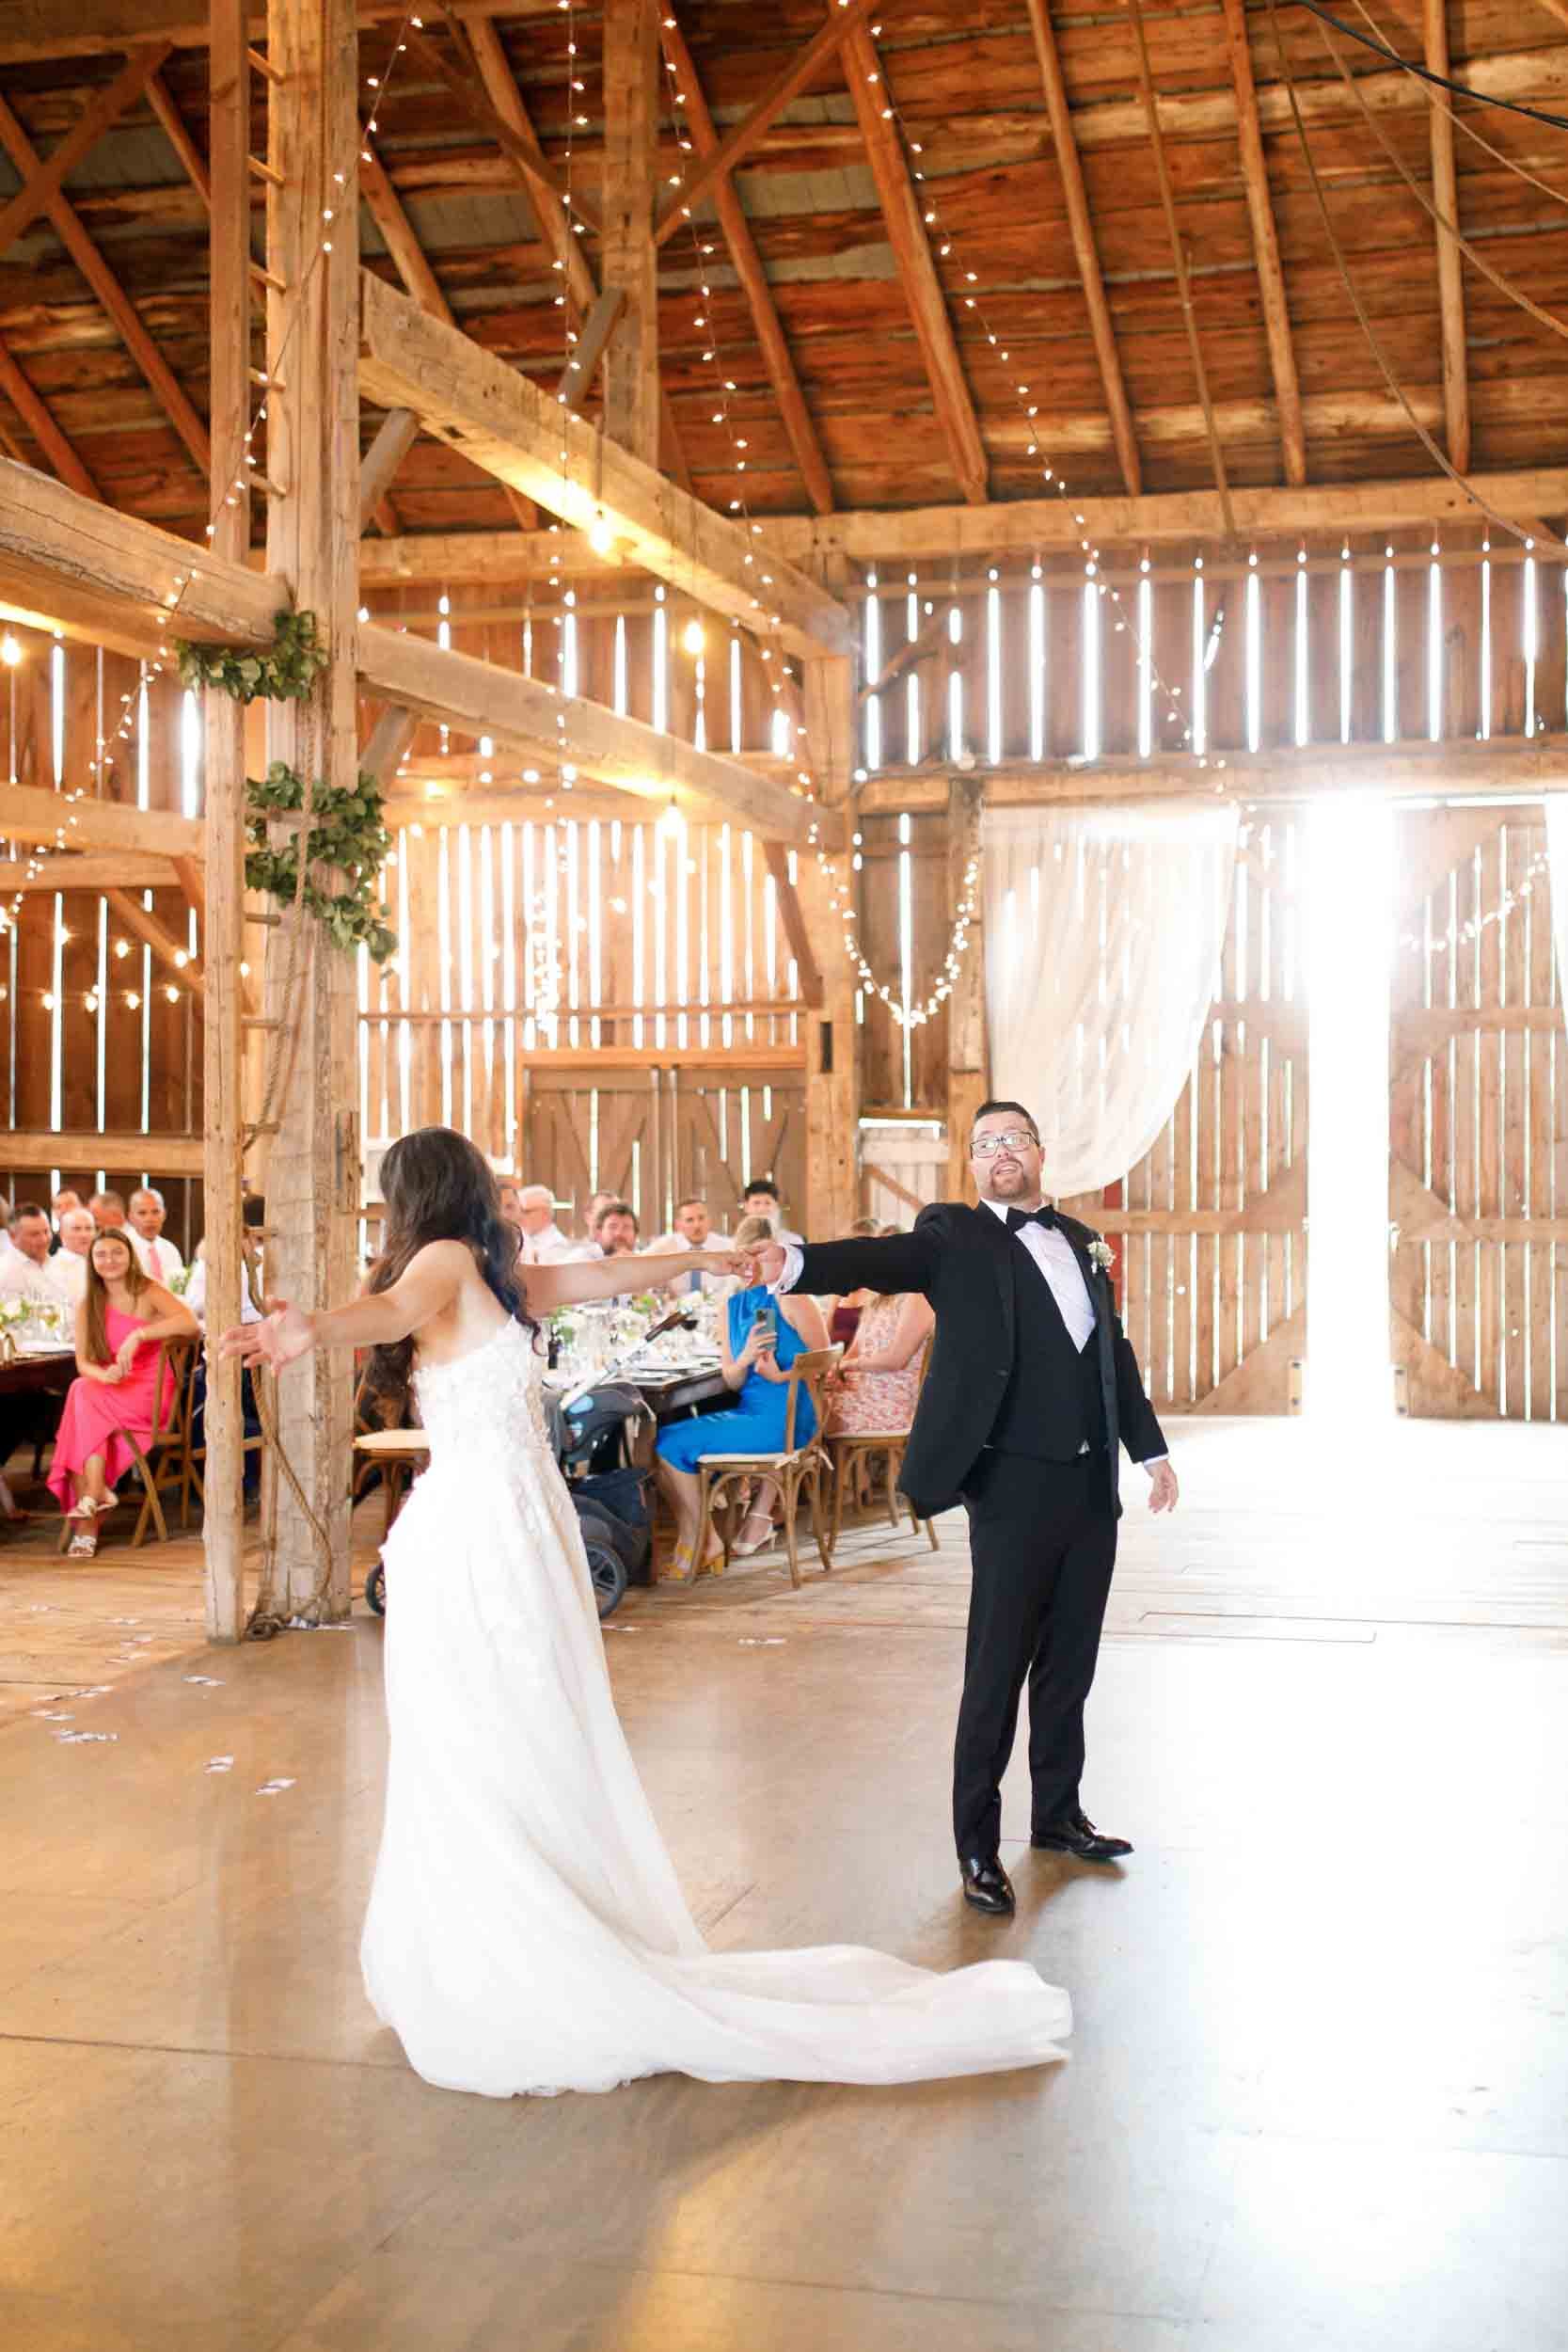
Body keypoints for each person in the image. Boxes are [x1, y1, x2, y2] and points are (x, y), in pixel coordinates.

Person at [219, 1125, 1069, 2096]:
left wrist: (704, 1256)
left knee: (495, 1734)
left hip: (502, 1528)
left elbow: (609, 1279)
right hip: (490, 1529)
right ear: (457, 1189)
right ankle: (508, 1930)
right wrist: (312, 1328)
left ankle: (519, 1932)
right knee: (491, 1733)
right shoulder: (456, 1266)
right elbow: (388, 1309)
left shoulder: (483, 1271)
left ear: (408, 1193)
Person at [753, 1100, 1177, 1919]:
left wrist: (1148, 1450)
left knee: (1069, 1663)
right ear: (972, 1166)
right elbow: (878, 1255)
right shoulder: (953, 1236)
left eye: (1012, 1139)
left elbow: (1110, 1356)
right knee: (997, 1666)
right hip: (1010, 1482)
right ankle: (976, 1847)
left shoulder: (1083, 1243)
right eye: (983, 1146)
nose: (998, 1154)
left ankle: (1057, 1815)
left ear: (1039, 1151)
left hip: (1091, 1488)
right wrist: (792, 1264)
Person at [653, 1214, 830, 1575]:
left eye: (763, 1259)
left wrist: (782, 1373)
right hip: (752, 1410)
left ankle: (701, 1538)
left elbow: (826, 1359)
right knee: (665, 1441)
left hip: (792, 1413)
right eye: (746, 1261)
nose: (753, 1269)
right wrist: (747, 1357)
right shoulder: (730, 1307)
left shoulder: (792, 1298)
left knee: (669, 1446)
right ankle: (704, 1536)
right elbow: (732, 1381)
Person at [47, 1228, 198, 1559]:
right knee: (83, 1395)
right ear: (92, 1261)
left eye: (117, 1252)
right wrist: (105, 1373)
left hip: (149, 1391)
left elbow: (191, 1324)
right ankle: (94, 1499)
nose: (109, 1260)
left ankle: (92, 1509)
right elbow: (84, 1362)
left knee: (81, 1402)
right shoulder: (89, 1304)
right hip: (110, 1389)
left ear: (130, 1256)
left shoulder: (147, 1290)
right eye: (101, 1254)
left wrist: (141, 1335)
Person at [823, 1285, 936, 1440]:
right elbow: (855, 1350)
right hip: (858, 1391)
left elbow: (896, 1360)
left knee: (809, 1413)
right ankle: (833, 1463)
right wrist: (836, 1373)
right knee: (808, 1403)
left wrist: (846, 1366)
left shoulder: (918, 1297)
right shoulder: (877, 1298)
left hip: (890, 1403)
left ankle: (821, 1462)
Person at [648, 1196, 731, 1296]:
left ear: (709, 1220)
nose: (697, 1225)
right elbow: (641, 1266)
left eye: (701, 1218)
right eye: (690, 1220)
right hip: (674, 1309)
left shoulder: (727, 1247)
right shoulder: (664, 1246)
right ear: (678, 1225)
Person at [0, 1202, 60, 1304]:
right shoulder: (6, 1272)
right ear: (13, 1236)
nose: (44, 1239)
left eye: (46, 1231)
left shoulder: (57, 1262)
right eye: (34, 1234)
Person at [515, 1183, 585, 1265]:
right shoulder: (520, 1240)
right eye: (518, 1211)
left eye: (525, 1211)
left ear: (544, 1213)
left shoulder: (559, 1248)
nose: (519, 1217)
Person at [128, 1187, 183, 1283]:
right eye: (142, 1213)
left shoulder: (170, 1249)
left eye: (155, 1212)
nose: (150, 1219)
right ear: (131, 1217)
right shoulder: (124, 1248)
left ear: (164, 1214)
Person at [46, 1207, 98, 1309]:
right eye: (76, 1229)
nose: (84, 1235)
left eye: (89, 1228)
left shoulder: (100, 1261)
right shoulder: (53, 1267)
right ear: (61, 1234)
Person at [738, 1176, 801, 1248]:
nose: (762, 1209)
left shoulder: (793, 1241)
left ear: (776, 1206)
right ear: (746, 1207)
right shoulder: (732, 1244)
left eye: (767, 1203)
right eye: (756, 1203)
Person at [49, 1188, 82, 1252]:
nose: (64, 1210)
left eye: (69, 1204)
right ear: (54, 1212)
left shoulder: (94, 1240)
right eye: (58, 1206)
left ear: (81, 1207)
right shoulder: (48, 1242)